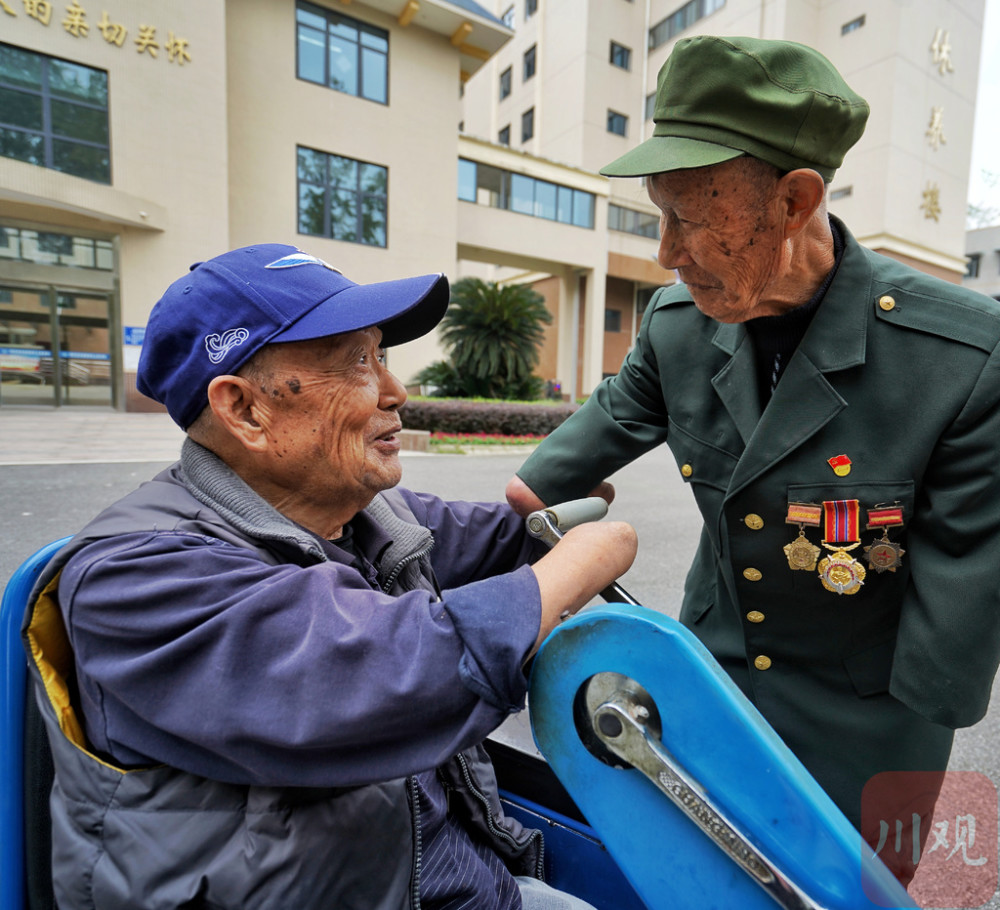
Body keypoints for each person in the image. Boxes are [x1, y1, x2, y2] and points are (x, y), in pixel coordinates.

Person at [506, 35, 1000, 883]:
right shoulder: (676, 326)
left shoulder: (960, 357)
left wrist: (892, 803)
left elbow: (953, 631)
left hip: (868, 727)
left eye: (690, 218)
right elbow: (543, 483)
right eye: (658, 216)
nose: (667, 251)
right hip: (705, 687)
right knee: (687, 884)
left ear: (795, 199)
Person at [22, 244, 637, 909]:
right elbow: (386, 671)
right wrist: (579, 564)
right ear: (245, 410)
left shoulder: (359, 512)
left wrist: (564, 495)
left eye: (382, 355)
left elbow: (502, 537)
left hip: (460, 884)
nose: (397, 392)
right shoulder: (136, 578)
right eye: (357, 362)